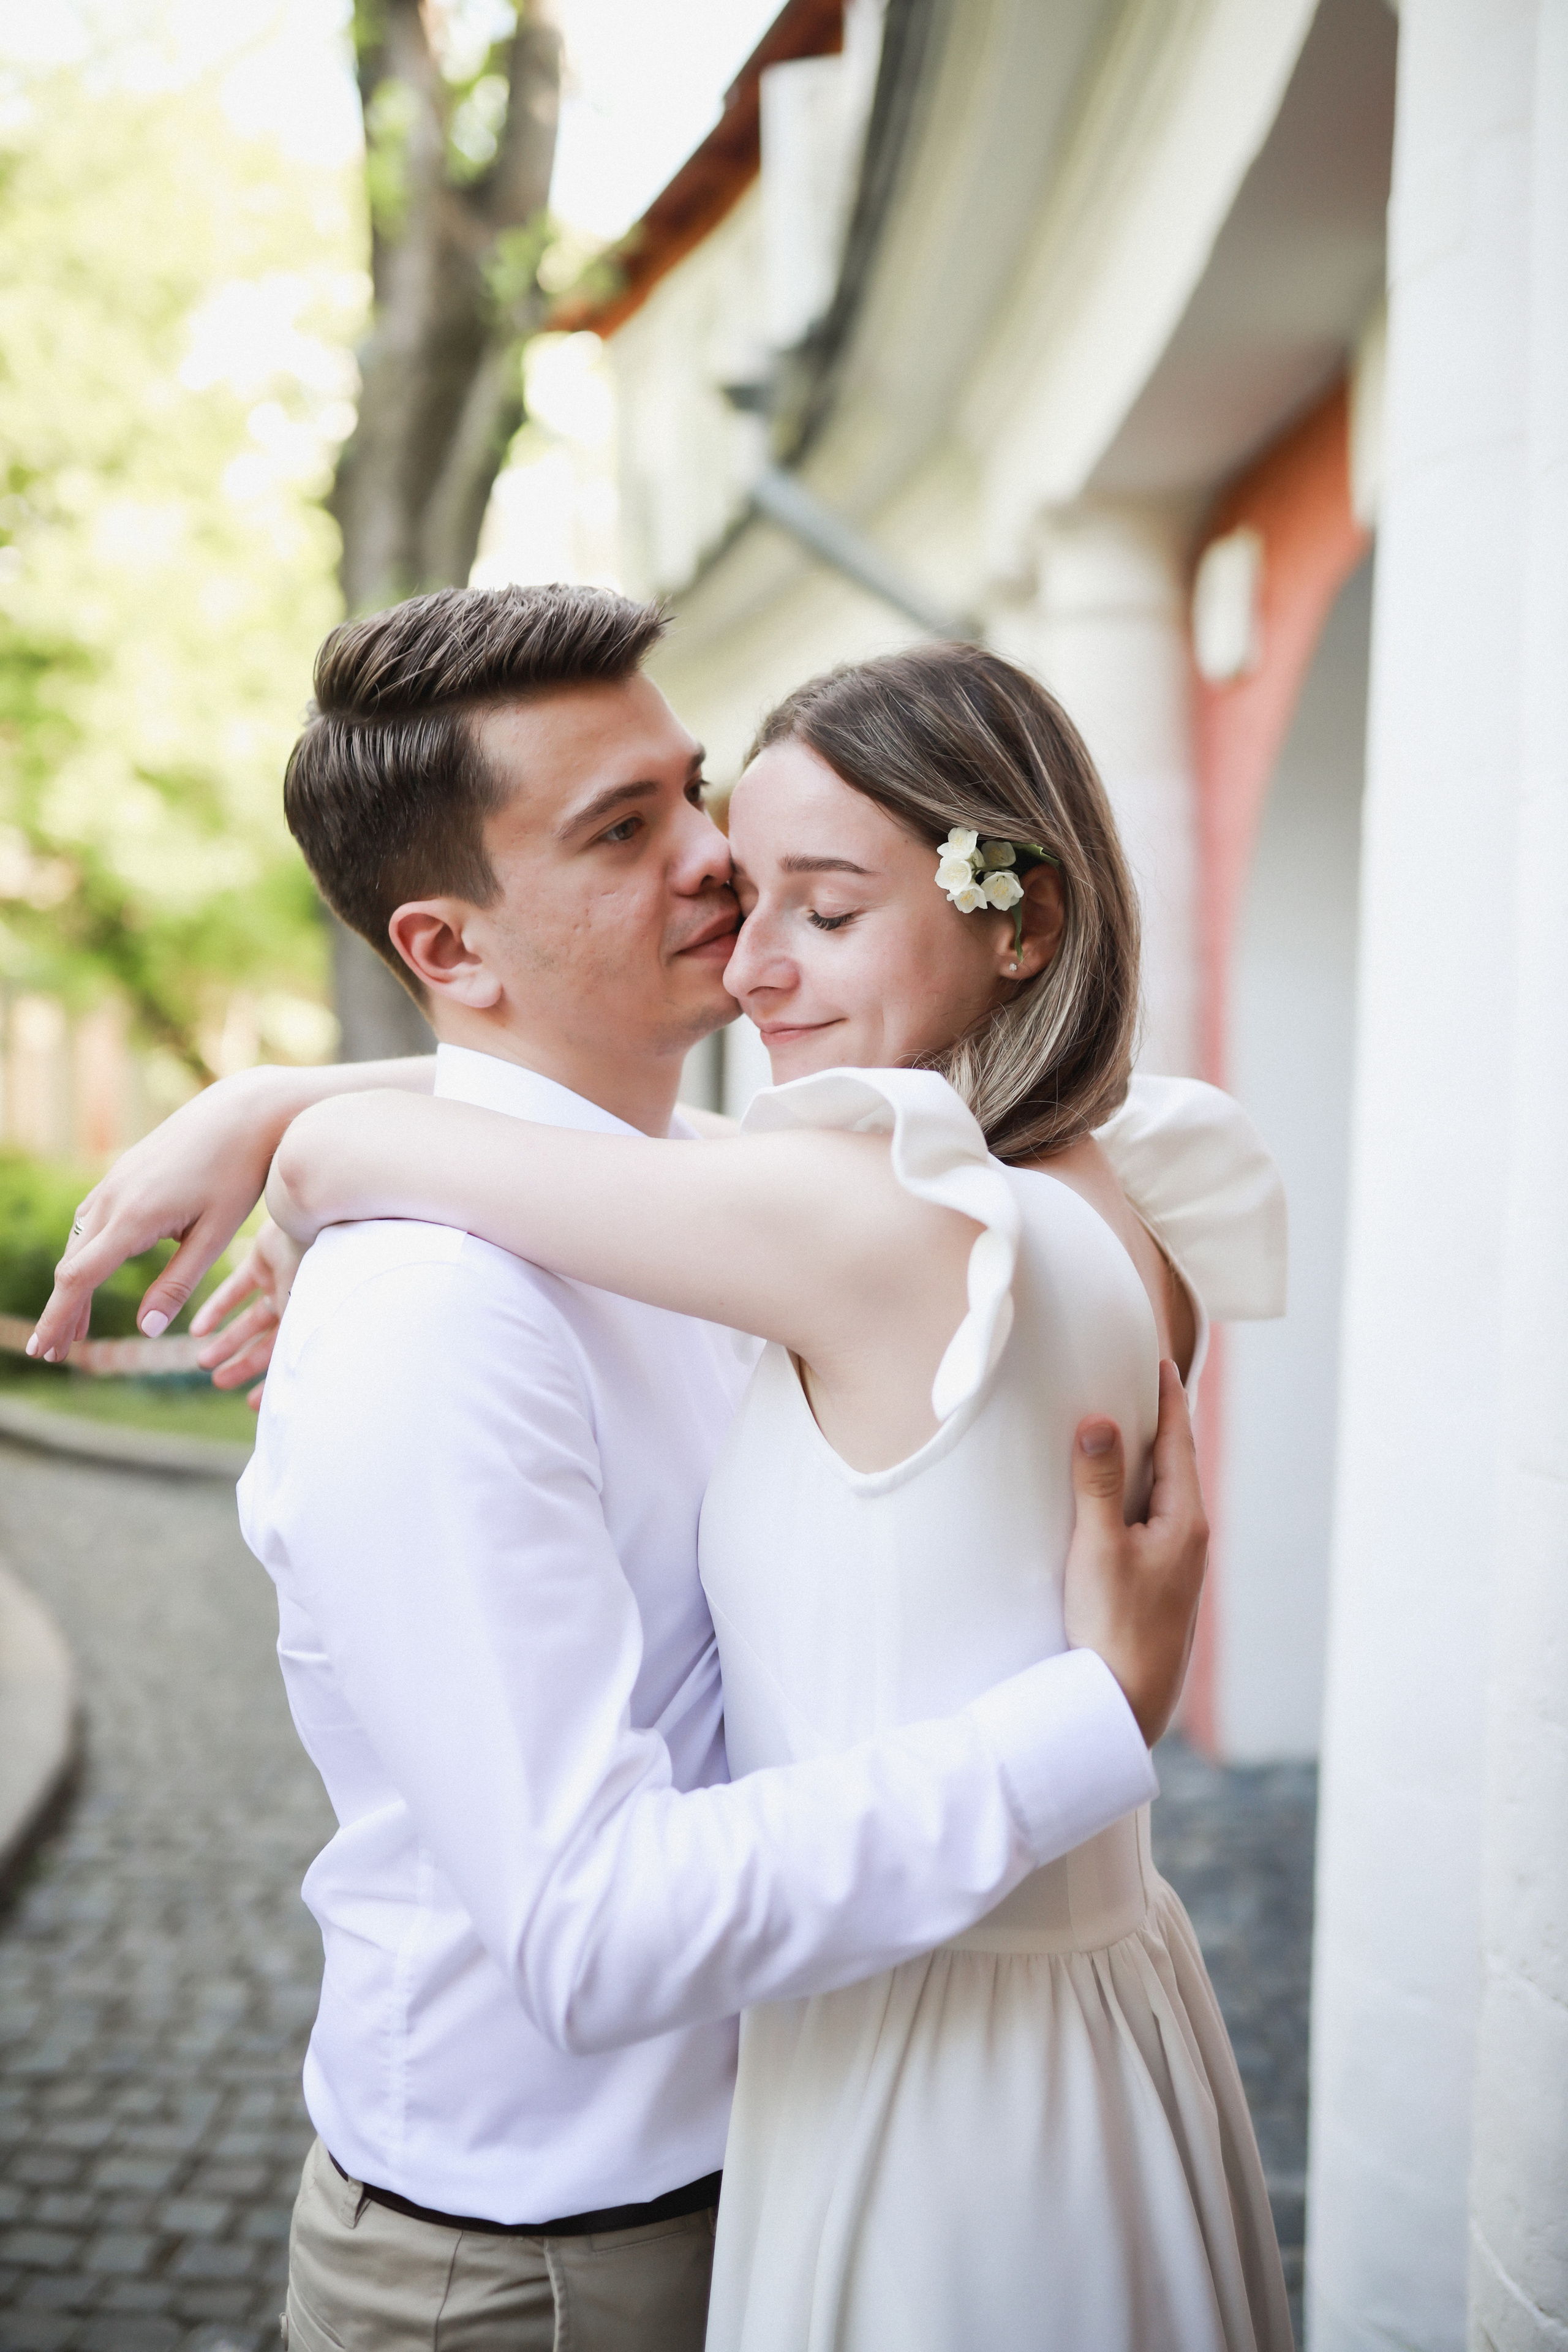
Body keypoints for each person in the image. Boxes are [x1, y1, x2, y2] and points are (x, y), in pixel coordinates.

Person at [31, 586, 1218, 2352]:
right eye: (623, 829)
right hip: (550, 2269)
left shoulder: (750, 1194)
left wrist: (286, 1107)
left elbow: (607, 1140)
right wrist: (1082, 1726)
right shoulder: (436, 1311)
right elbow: (587, 1934)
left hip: (805, 2166)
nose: (722, 865)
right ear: (448, 949)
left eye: (694, 791)